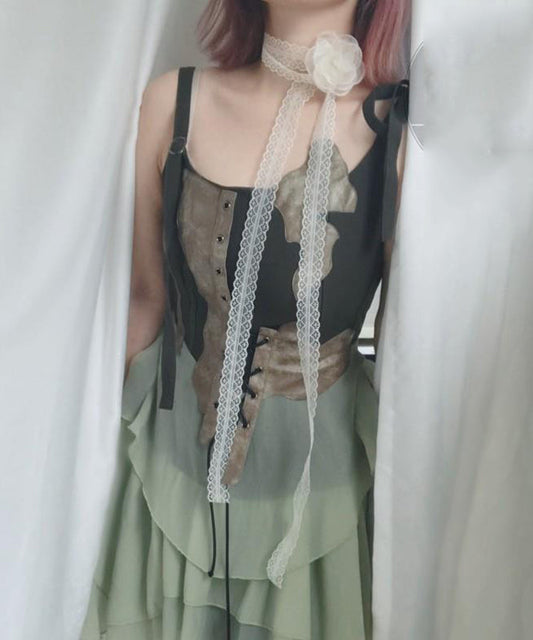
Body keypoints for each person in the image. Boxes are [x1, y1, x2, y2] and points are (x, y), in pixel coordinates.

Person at [80, 0, 410, 638]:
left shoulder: (402, 134)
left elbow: (413, 351)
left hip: (319, 517)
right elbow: (145, 302)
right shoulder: (170, 104)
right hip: (164, 494)